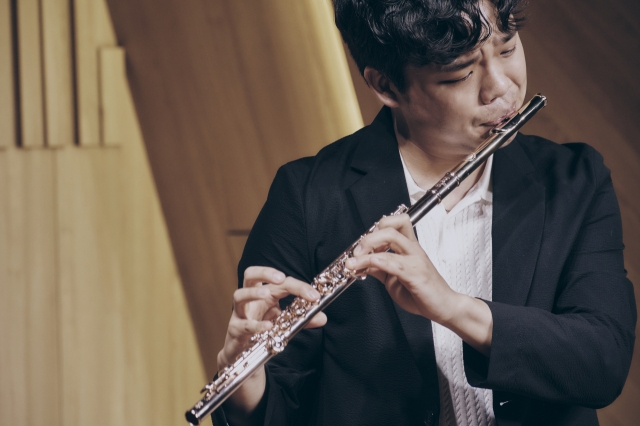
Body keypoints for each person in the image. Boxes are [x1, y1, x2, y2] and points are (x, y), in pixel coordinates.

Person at [213, 0, 636, 425]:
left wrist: (452, 308)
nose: (501, 88)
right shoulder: (308, 196)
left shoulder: (575, 180)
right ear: (387, 86)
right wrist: (247, 384)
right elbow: (284, 408)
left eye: (507, 50)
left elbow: (602, 361)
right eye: (461, 73)